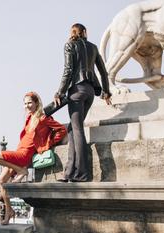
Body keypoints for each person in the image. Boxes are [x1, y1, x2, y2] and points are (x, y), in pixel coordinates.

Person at [0, 91, 66, 225]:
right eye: (25, 104)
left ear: (37, 103)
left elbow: (61, 130)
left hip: (23, 155)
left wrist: (47, 144)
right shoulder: (29, 118)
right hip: (19, 151)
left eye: (30, 102)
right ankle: (9, 211)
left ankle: (21, 171)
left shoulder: (43, 118)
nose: (27, 106)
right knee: (1, 181)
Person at [54, 23, 112, 182]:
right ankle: (69, 173)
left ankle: (82, 173)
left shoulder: (70, 45)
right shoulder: (93, 47)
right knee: (73, 129)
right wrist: (106, 92)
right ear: (84, 32)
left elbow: (68, 70)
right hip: (90, 92)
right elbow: (103, 72)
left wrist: (59, 92)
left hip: (77, 92)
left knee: (77, 130)